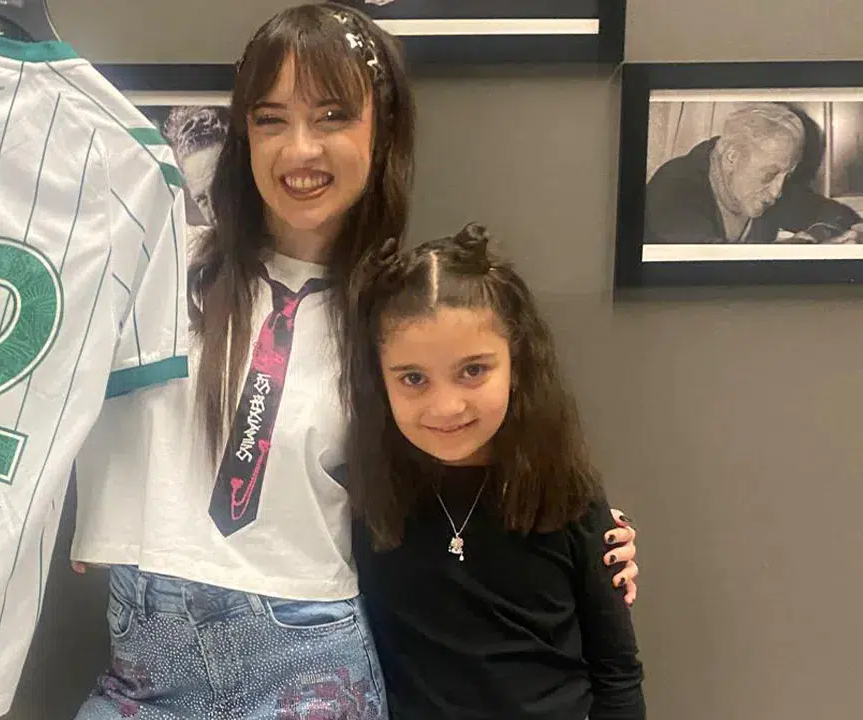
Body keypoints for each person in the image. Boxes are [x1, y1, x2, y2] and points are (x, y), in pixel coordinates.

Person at [70, 5, 640, 718]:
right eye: (271, 119)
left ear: (382, 129)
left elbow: (469, 444)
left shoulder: (396, 315)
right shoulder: (163, 263)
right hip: (145, 654)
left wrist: (588, 539)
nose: (299, 149)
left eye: (333, 116)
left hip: (308, 651)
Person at [347, 225, 645, 719]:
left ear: (517, 364)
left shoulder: (566, 495)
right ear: (381, 382)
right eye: (414, 378)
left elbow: (617, 672)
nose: (446, 406)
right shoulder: (365, 496)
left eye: (473, 370)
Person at [645, 102, 863, 245]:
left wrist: (816, 237)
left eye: (787, 175)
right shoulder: (673, 189)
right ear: (732, 157)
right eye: (770, 174)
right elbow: (714, 271)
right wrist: (798, 250)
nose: (778, 191)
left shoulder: (768, 185)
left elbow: (838, 215)